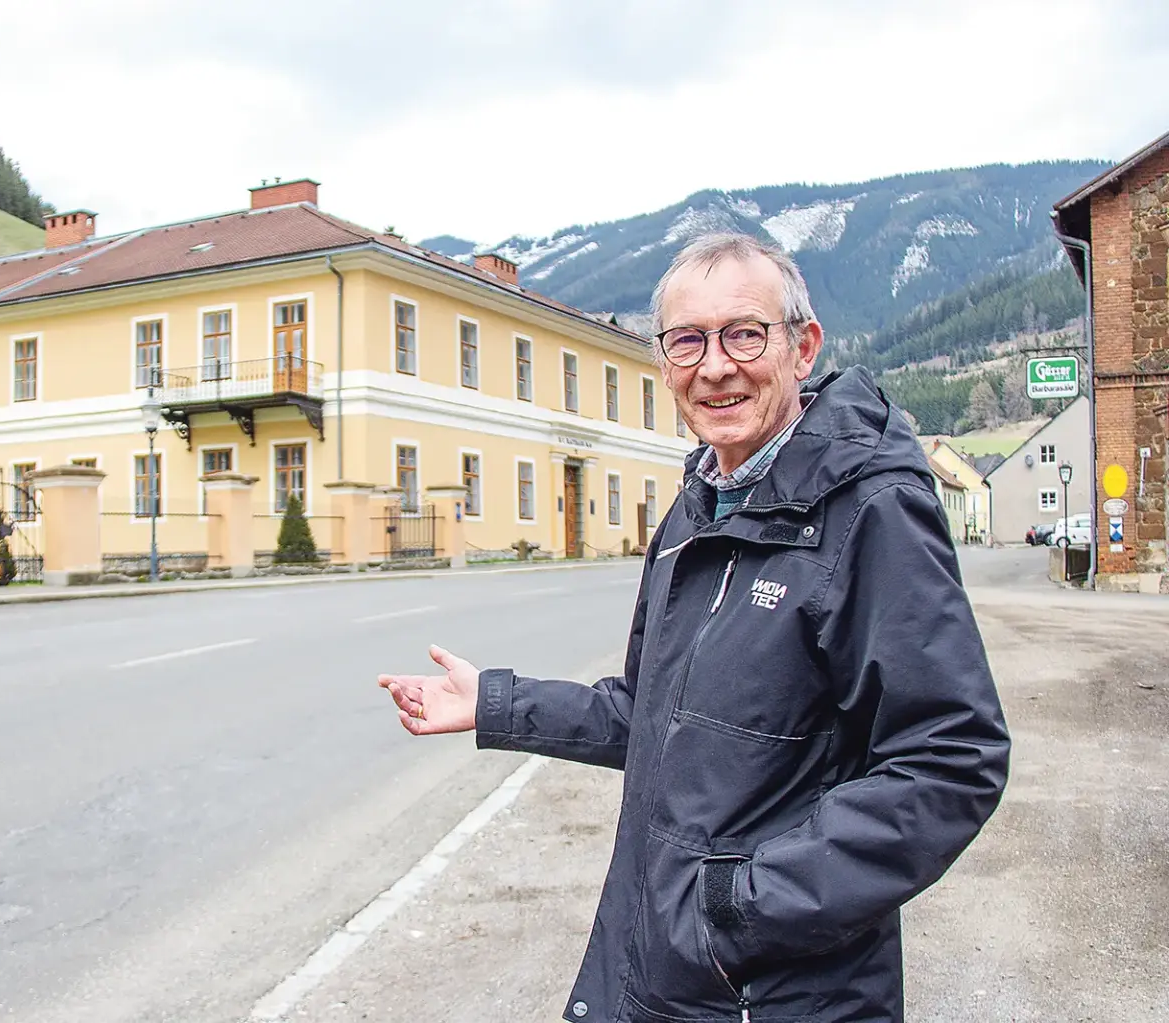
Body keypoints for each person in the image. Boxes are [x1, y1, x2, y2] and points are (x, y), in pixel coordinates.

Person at [378, 232, 1009, 1023]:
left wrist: (737, 905)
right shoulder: (694, 510)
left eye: (744, 333)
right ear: (664, 361)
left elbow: (951, 759)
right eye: (688, 340)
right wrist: (496, 704)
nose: (716, 366)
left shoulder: (869, 510)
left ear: (802, 347)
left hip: (779, 994)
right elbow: (646, 710)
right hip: (666, 976)